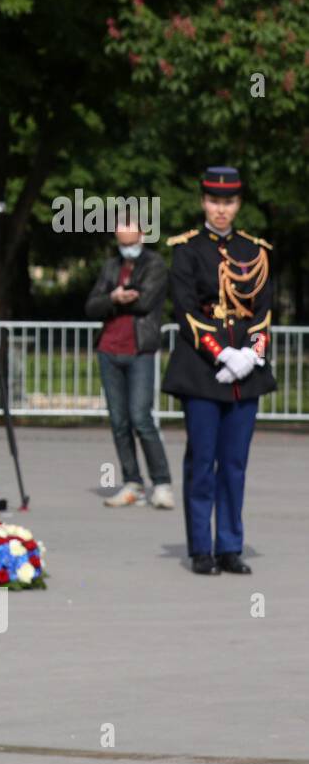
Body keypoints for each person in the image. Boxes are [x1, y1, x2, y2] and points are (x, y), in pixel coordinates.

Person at [161, 167, 275, 576]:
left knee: (234, 462)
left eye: (228, 202)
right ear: (202, 202)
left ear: (238, 203)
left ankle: (229, 545)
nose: (221, 209)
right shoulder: (187, 249)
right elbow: (186, 310)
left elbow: (263, 313)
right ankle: (200, 549)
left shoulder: (256, 250)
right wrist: (222, 354)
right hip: (203, 370)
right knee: (202, 460)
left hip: (246, 371)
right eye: (213, 201)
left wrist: (250, 354)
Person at [85, 220, 173, 508]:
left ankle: (161, 483)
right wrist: (114, 296)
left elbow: (145, 301)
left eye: (130, 238)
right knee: (118, 421)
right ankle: (131, 481)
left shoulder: (155, 264)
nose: (127, 246)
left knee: (141, 417)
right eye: (121, 241)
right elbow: (92, 306)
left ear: (142, 234)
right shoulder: (111, 266)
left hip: (139, 350)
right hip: (108, 349)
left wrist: (117, 297)